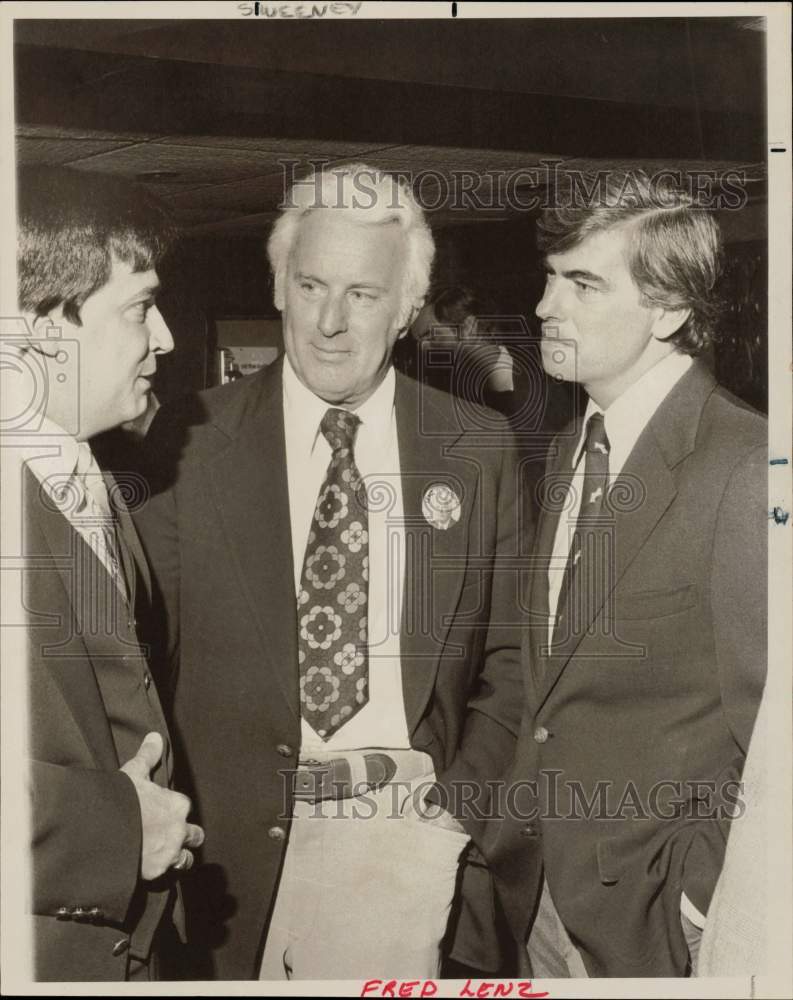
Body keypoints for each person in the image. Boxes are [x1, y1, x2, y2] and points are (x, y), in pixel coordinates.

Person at [134, 162, 523, 980]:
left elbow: (515, 658)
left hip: (407, 843)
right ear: (277, 286)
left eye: (363, 295)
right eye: (310, 287)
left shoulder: (477, 449)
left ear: (409, 308)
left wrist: (457, 808)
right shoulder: (188, 441)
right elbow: (136, 655)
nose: (330, 324)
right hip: (226, 857)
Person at [484, 169, 767, 977]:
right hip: (538, 892)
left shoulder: (743, 467)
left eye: (582, 284)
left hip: (653, 919)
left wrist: (697, 896)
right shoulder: (576, 443)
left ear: (668, 309)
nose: (545, 308)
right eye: (548, 279)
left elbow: (774, 740)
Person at [4, 166, 204, 981]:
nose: (164, 340)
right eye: (139, 308)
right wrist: (116, 831)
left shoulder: (88, 476)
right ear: (41, 328)